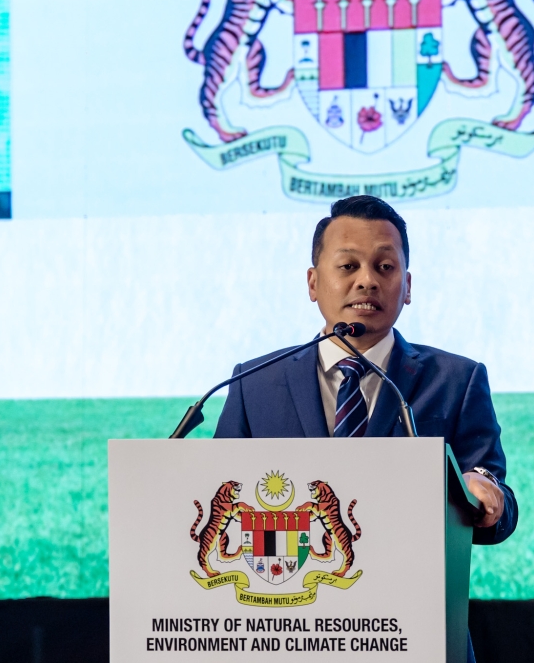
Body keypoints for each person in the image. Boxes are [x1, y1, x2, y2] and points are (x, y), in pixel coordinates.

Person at [214, 195, 517, 662]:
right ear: (313, 283)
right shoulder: (254, 384)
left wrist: (487, 496)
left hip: (415, 640)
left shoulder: (456, 380)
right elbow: (221, 505)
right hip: (285, 636)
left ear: (408, 285)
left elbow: (497, 505)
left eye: (385, 266)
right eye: (348, 265)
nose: (367, 280)